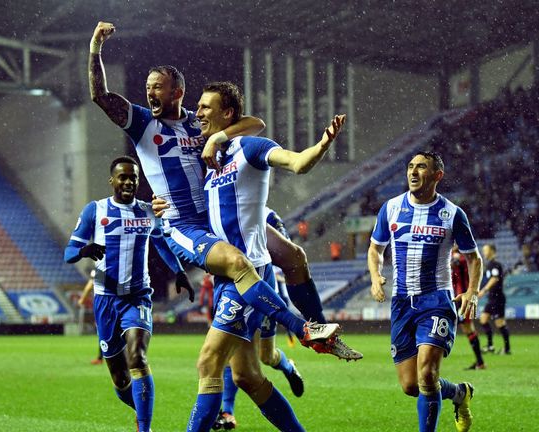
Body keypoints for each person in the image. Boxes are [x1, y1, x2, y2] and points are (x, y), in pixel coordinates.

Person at [88, 21, 332, 331]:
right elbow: (101, 96)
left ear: (177, 92)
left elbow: (255, 123)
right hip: (183, 224)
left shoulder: (199, 122)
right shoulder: (144, 123)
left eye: (157, 87)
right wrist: (96, 47)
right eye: (148, 87)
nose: (150, 92)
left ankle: (324, 328)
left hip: (217, 214)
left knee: (294, 256)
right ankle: (300, 329)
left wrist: (217, 138)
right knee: (237, 267)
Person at [168, 81, 361, 432]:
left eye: (205, 107)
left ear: (227, 113)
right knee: (247, 376)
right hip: (229, 274)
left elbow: (296, 162)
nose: (198, 113)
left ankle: (309, 328)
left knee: (209, 362)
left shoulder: (249, 148)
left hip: (249, 274)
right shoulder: (210, 158)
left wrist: (320, 145)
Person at [64, 156, 195, 432]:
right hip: (105, 300)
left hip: (137, 297)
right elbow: (68, 253)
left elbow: (161, 244)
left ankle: (144, 428)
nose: (128, 182)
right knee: (121, 379)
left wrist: (180, 272)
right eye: (122, 177)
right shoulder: (95, 211)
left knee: (138, 357)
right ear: (112, 180)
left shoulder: (148, 212)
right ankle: (139, 407)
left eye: (133, 177)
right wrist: (84, 251)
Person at [368, 151, 482, 432]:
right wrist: (375, 276)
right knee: (411, 385)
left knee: (428, 372)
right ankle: (459, 393)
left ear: (437, 176)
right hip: (402, 303)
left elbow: (474, 257)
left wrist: (472, 291)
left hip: (436, 302)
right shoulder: (391, 208)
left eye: (421, 167)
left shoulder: (452, 214)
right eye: (410, 167)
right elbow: (375, 248)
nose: (413, 172)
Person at [214, 207, 303, 431]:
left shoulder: (269, 216)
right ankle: (227, 411)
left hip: (262, 290)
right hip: (235, 290)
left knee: (266, 356)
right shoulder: (222, 208)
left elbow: (285, 251)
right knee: (227, 350)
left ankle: (288, 367)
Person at [451, 246, 486, 370]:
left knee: (468, 329)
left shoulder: (460, 256)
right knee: (467, 329)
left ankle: (480, 362)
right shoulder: (461, 255)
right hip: (456, 298)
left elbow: (454, 263)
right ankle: (480, 362)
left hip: (462, 298)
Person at [478, 244, 511, 355]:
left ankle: (507, 349)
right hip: (492, 298)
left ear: (492, 251)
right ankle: (490, 346)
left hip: (498, 298)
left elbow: (495, 279)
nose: (484, 253)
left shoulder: (495, 265)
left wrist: (484, 290)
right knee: (483, 319)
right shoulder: (490, 265)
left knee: (499, 323)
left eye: (486, 250)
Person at [77, 274, 104, 365]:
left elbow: (89, 286)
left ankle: (101, 358)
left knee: (103, 332)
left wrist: (82, 299)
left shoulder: (98, 269)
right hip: (120, 302)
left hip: (104, 304)